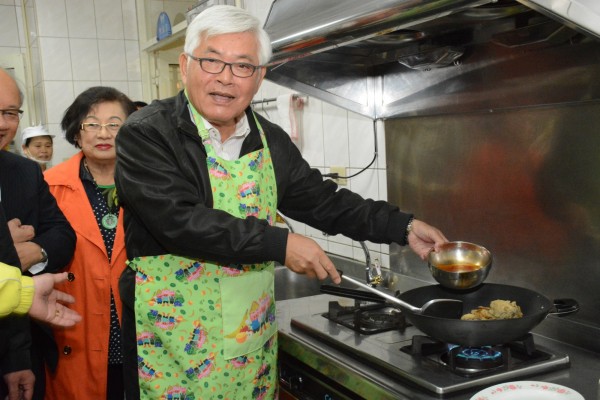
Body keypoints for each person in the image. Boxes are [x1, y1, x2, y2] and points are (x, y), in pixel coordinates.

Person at [114, 5, 448, 399]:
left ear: (260, 77)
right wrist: (281, 244)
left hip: (247, 338)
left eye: (242, 66)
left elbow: (322, 201)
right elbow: (180, 221)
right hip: (175, 340)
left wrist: (402, 226)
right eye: (211, 61)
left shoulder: (268, 138)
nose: (225, 78)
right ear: (185, 65)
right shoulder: (147, 134)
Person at [43, 86, 136, 400]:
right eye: (92, 124)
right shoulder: (47, 186)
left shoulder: (151, 183)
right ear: (76, 133)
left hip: (139, 328)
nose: (103, 133)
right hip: (73, 327)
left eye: (114, 124)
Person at [0, 67, 76, 400]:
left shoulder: (24, 171)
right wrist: (5, 249)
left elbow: (61, 233)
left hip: (22, 341)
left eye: (10, 113)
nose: (3, 124)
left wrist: (35, 252)